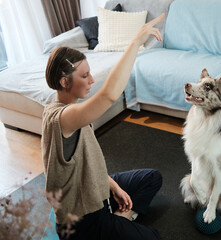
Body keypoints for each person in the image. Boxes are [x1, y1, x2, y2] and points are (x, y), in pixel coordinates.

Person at [41, 13, 165, 240]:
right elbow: (109, 94)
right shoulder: (63, 118)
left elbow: (86, 166)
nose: (91, 80)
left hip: (95, 189)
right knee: (153, 237)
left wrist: (114, 187)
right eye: (84, 76)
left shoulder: (71, 110)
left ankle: (118, 219)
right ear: (64, 82)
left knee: (152, 178)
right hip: (85, 220)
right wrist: (136, 43)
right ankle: (116, 222)